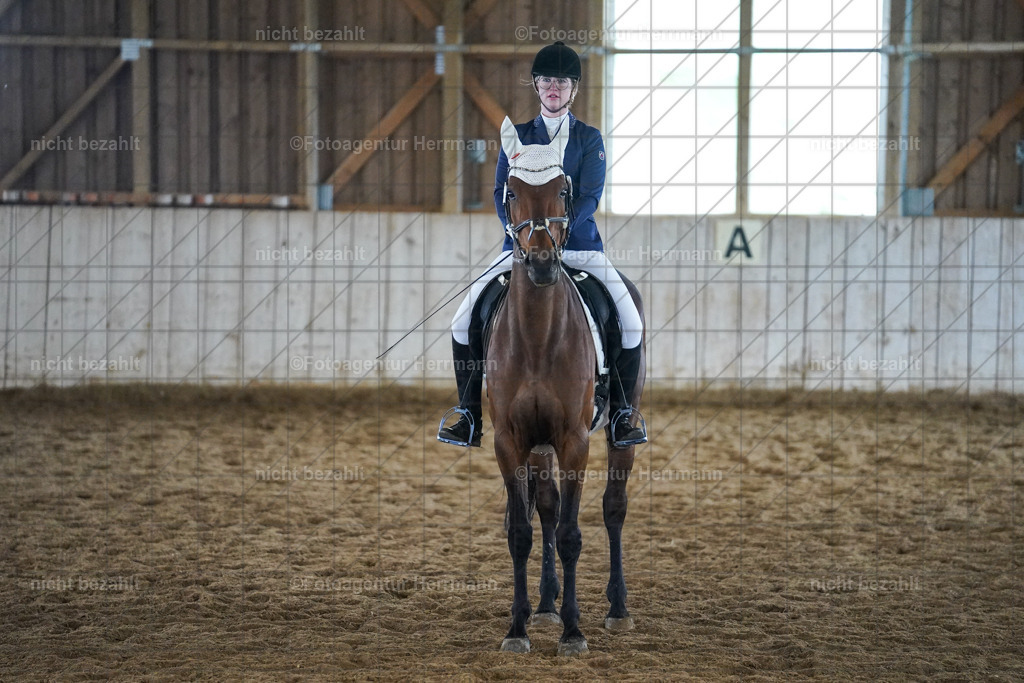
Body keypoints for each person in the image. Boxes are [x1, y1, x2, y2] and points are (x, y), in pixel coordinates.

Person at [438, 41, 646, 448]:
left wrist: (558, 233)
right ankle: (468, 413)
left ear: (574, 90)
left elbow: (590, 196)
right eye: (547, 81)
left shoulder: (589, 138)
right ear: (536, 86)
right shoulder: (515, 137)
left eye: (563, 82)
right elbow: (501, 192)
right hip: (519, 251)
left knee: (632, 323)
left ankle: (622, 413)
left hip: (580, 247)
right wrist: (520, 237)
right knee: (462, 320)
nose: (554, 88)